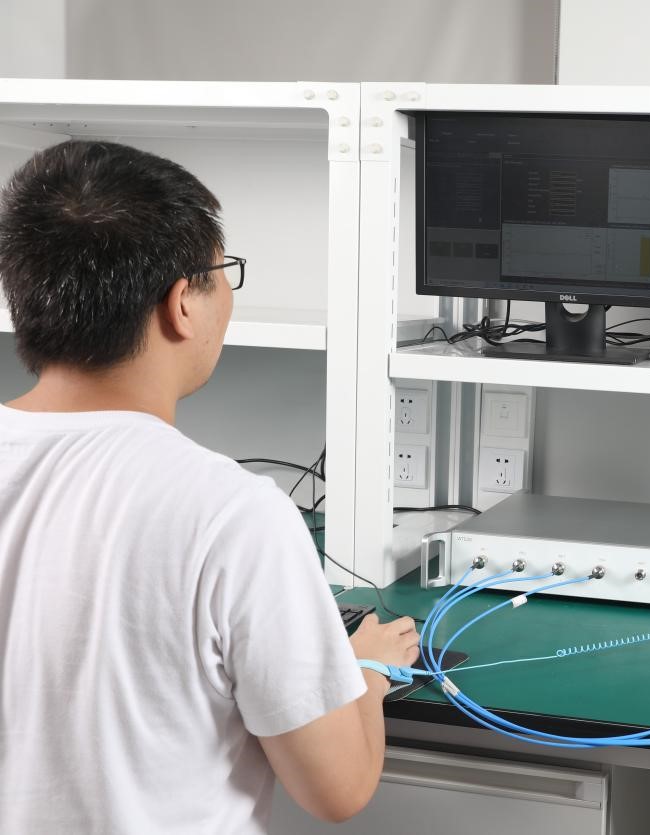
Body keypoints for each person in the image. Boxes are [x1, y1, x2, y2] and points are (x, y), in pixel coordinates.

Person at [0, 140, 418, 832]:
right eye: (222, 274)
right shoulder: (233, 515)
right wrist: (366, 672)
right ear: (181, 306)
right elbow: (338, 789)